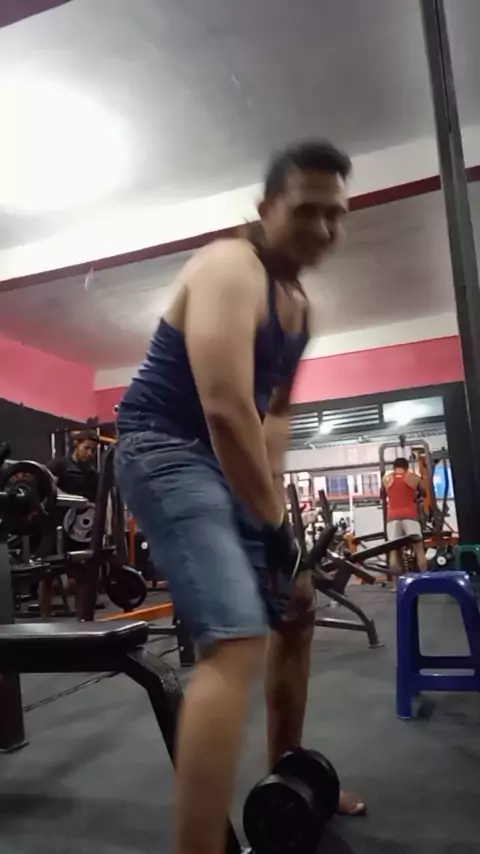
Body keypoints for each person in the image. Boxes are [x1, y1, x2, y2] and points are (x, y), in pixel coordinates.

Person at [115, 140, 365, 854]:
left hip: (226, 458)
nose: (323, 228)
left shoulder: (300, 309)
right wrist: (274, 527)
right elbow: (225, 409)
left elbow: (272, 419)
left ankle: (286, 782)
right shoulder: (230, 266)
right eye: (306, 210)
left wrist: (279, 525)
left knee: (296, 606)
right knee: (235, 634)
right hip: (163, 445)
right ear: (266, 208)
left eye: (336, 215)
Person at [383, 457, 428, 576]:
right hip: (410, 516)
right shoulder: (413, 478)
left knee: (393, 551)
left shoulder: (386, 479)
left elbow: (382, 495)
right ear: (407, 467)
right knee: (419, 549)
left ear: (394, 468)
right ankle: (425, 578)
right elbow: (424, 493)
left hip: (392, 517)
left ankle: (396, 584)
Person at [47, 429, 99, 502]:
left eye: (93, 450)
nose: (89, 453)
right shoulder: (59, 464)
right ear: (76, 444)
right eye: (86, 448)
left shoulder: (92, 474)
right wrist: (71, 500)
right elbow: (49, 487)